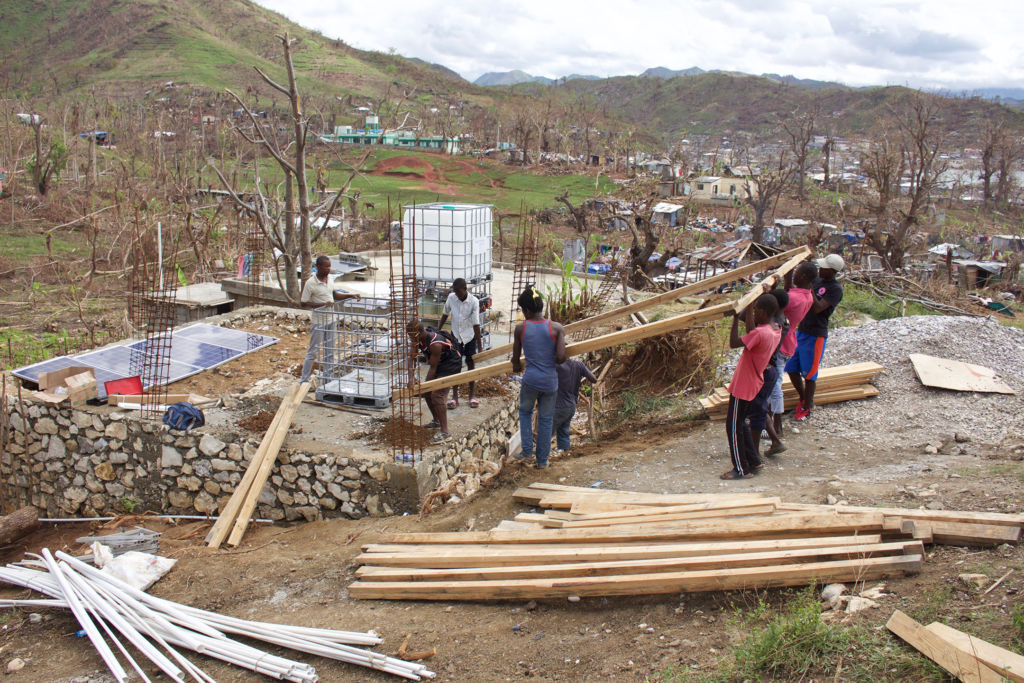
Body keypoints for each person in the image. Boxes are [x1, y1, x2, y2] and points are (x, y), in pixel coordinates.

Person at [722, 293, 781, 480]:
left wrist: (734, 319)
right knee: (741, 424)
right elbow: (752, 328)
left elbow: (733, 343)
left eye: (756, 312)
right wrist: (749, 309)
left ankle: (741, 469)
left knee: (732, 427)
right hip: (753, 382)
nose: (754, 315)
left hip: (744, 385)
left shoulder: (760, 333)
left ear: (763, 313)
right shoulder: (776, 329)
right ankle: (754, 460)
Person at [511, 285, 567, 469]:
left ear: (526, 310)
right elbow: (560, 358)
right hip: (550, 383)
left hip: (531, 381)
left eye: (522, 310)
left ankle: (527, 452)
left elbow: (516, 362)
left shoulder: (521, 329)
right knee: (546, 419)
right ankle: (542, 461)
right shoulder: (557, 328)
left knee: (525, 412)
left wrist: (518, 366)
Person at [786, 254, 844, 422]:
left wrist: (809, 287)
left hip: (816, 334)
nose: (820, 269)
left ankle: (807, 407)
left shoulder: (835, 289)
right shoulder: (817, 280)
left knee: (810, 373)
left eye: (824, 267)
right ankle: (804, 399)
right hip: (802, 331)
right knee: (791, 367)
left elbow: (818, 307)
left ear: (832, 271)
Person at [767, 262, 817, 448]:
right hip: (789, 340)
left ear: (803, 277)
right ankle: (770, 421)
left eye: (797, 273)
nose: (794, 275)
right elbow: (788, 293)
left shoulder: (793, 299)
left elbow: (772, 304)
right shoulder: (807, 297)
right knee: (774, 381)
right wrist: (787, 278)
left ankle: (776, 425)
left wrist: (771, 288)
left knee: (774, 383)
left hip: (779, 342)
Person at [300, 255, 360, 383]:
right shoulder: (311, 283)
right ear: (318, 267)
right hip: (319, 321)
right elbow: (304, 302)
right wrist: (322, 305)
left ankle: (328, 379)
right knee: (313, 351)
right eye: (326, 266)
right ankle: (303, 379)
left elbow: (334, 295)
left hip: (331, 320)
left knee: (330, 351)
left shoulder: (330, 279)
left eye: (329, 266)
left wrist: (350, 295)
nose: (328, 269)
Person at [406, 319, 462, 445]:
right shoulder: (418, 339)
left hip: (450, 365)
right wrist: (411, 378)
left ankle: (445, 432)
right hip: (438, 364)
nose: (410, 339)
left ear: (420, 333)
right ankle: (436, 421)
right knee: (427, 393)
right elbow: (412, 358)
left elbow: (433, 368)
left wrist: (425, 385)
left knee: (437, 395)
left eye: (411, 336)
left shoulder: (435, 344)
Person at [748, 288, 788, 460]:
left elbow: (747, 335)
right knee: (760, 408)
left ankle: (754, 454)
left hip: (763, 370)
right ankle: (775, 440)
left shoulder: (765, 328)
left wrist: (747, 308)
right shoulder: (779, 322)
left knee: (757, 411)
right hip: (768, 369)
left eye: (758, 309)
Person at [437, 278, 482, 409]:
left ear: (464, 289)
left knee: (470, 364)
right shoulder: (451, 298)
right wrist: (438, 331)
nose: (456, 294)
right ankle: (454, 397)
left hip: (469, 337)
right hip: (455, 336)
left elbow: (476, 324)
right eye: (454, 291)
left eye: (458, 291)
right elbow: (445, 314)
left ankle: (471, 395)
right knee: (455, 366)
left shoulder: (474, 302)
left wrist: (480, 346)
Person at [553, 359, 597, 458]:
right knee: (563, 430)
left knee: (546, 432)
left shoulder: (553, 365)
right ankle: (565, 454)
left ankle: (541, 459)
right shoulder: (578, 365)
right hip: (571, 406)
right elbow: (593, 379)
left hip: (557, 407)